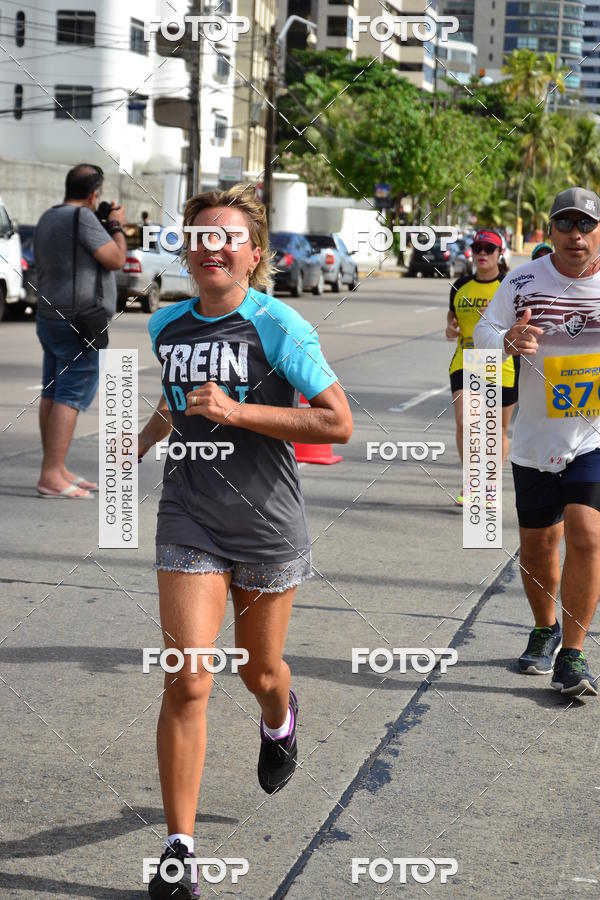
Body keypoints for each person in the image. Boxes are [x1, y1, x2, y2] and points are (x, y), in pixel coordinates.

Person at [137, 184, 353, 899]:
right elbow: (178, 404)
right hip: (189, 518)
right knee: (189, 676)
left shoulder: (280, 326)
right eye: (200, 237)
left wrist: (238, 410)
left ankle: (280, 716)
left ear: (254, 253)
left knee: (258, 672)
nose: (213, 248)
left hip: (266, 525)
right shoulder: (166, 326)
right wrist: (134, 444)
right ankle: (179, 851)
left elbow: (336, 423)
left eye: (228, 237)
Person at [474, 187, 600, 699]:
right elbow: (482, 334)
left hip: (592, 435)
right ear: (550, 232)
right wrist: (506, 342)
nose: (577, 235)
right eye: (566, 225)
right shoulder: (523, 281)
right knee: (539, 544)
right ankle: (544, 628)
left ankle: (573, 652)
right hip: (534, 438)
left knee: (587, 533)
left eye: (587, 225)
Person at [34, 164, 126, 498]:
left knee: (53, 392)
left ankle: (55, 467)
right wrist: (115, 226)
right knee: (70, 395)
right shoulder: (83, 218)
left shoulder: (49, 216)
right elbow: (115, 259)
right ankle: (50, 476)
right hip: (78, 321)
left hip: (49, 316)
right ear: (93, 194)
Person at [445, 229, 518, 505]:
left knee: (496, 429)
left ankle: (490, 485)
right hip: (467, 358)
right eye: (478, 248)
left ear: (500, 254)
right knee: (467, 422)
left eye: (490, 248)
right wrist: (450, 329)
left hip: (502, 361)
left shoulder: (509, 285)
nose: (483, 254)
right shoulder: (460, 285)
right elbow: (451, 323)